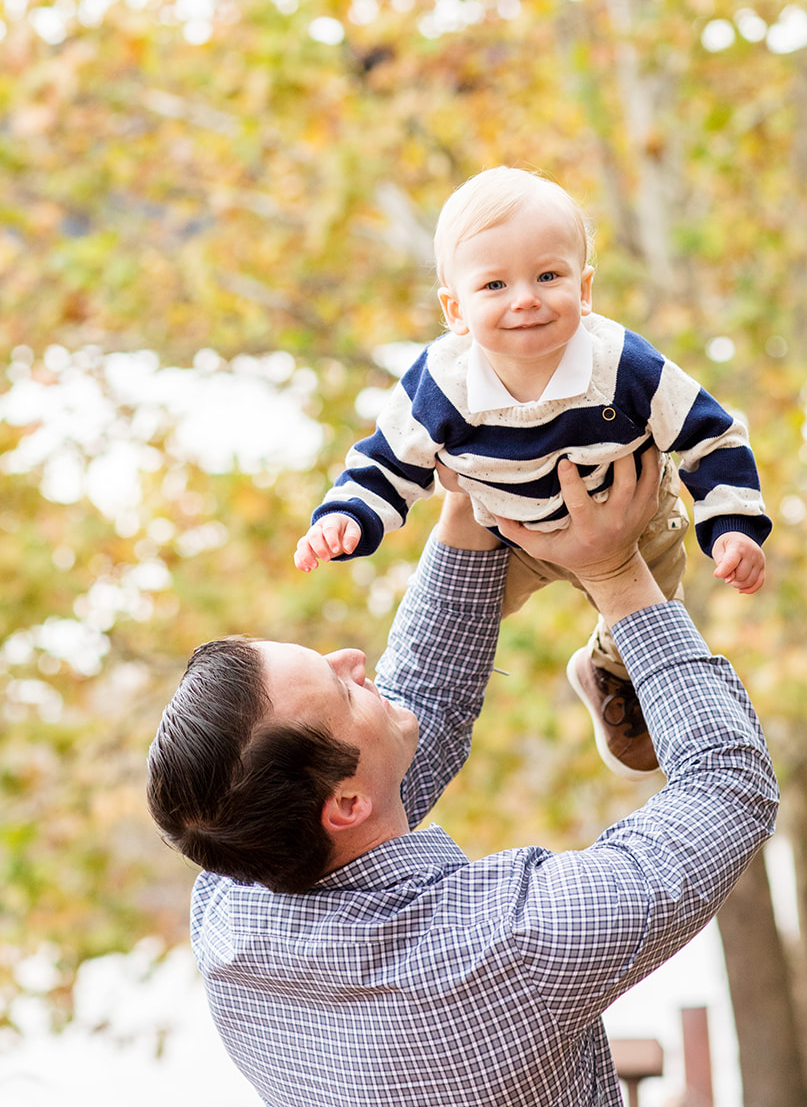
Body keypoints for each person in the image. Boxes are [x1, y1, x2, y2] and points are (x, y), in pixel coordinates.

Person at [147, 455, 778, 1107]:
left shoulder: (231, 907)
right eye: (341, 690)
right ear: (344, 806)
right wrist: (615, 575)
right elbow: (727, 788)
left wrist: (472, 494)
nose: (353, 658)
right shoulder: (509, 943)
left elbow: (418, 705)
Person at [294, 167, 771, 775]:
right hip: (509, 532)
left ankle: (608, 668)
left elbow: (712, 433)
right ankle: (391, 745)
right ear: (456, 308)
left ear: (584, 288)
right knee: (455, 634)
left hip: (633, 523)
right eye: (494, 284)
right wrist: (346, 517)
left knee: (652, 612)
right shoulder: (441, 383)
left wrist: (731, 525)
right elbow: (387, 461)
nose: (525, 298)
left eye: (548, 276)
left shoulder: (622, 366)